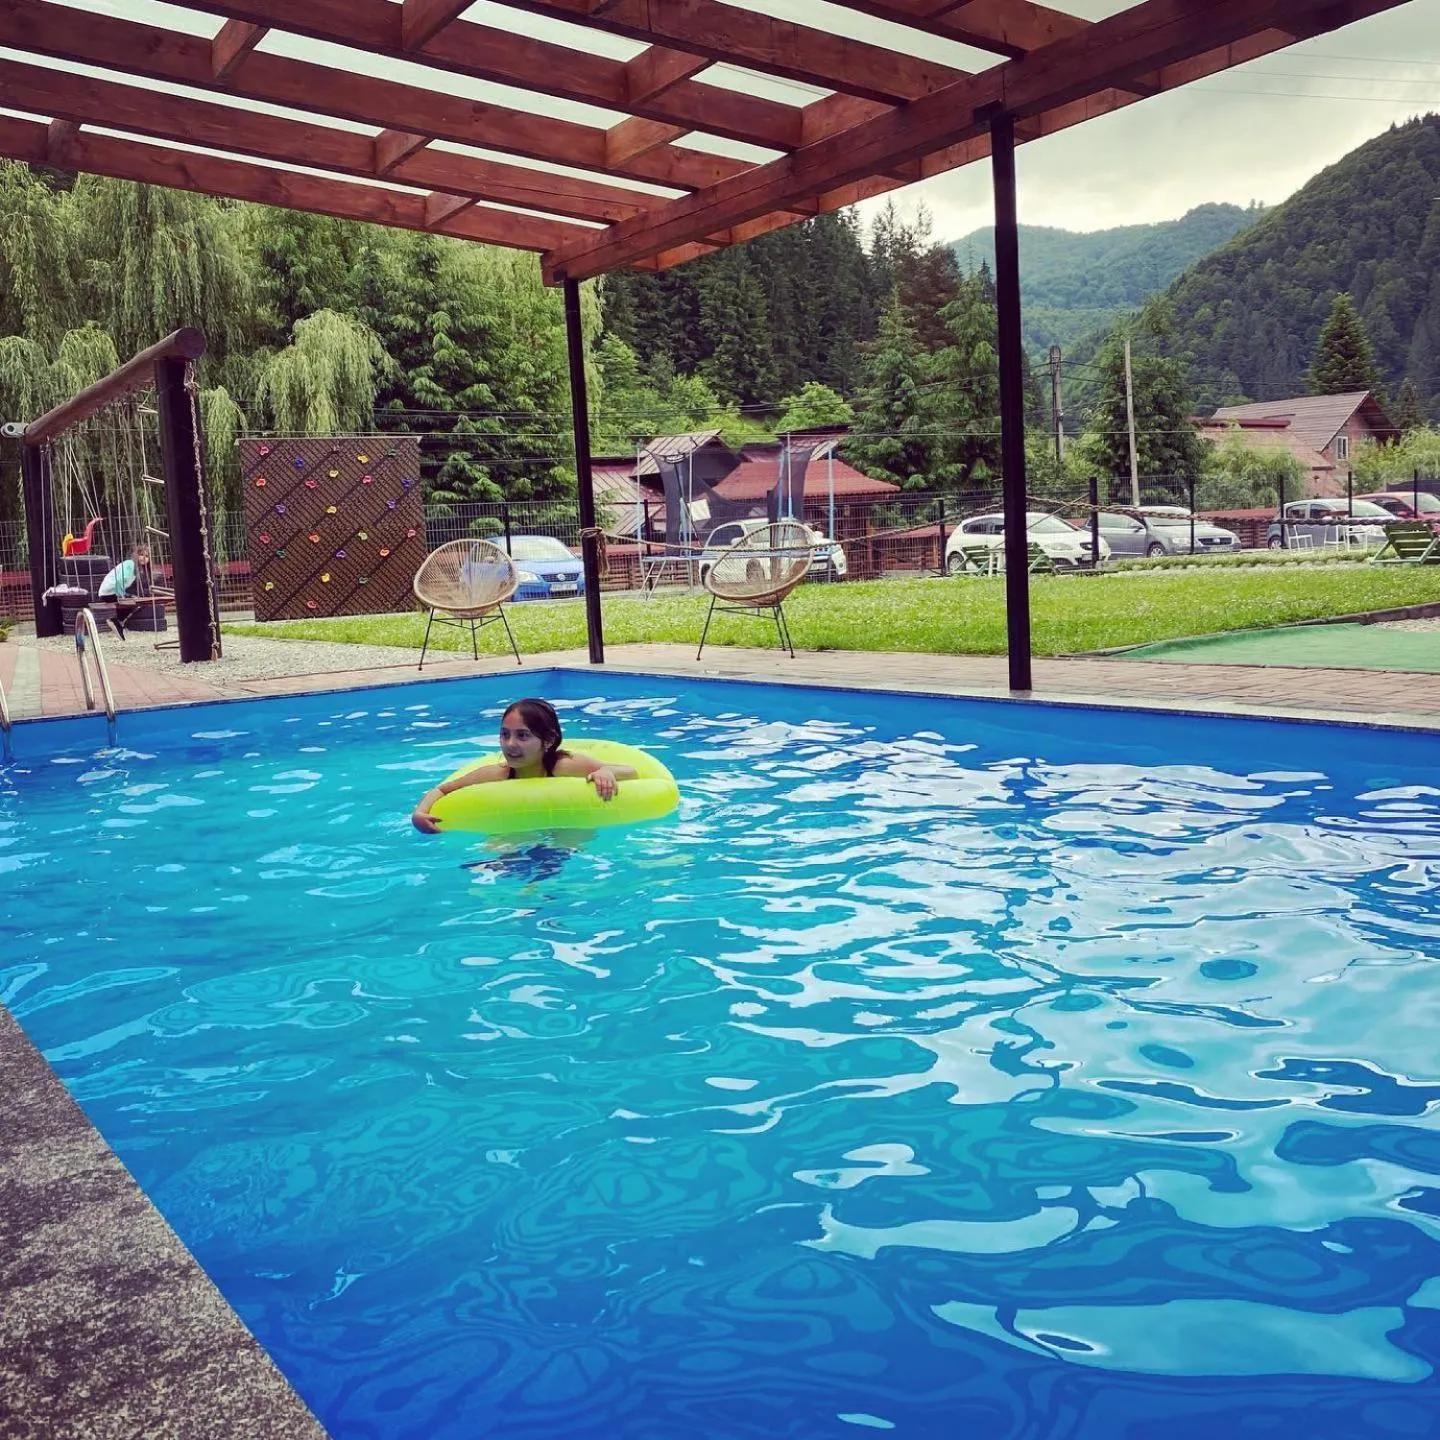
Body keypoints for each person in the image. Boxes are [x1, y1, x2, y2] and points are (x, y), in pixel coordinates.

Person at [412, 698, 637, 834]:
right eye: (505, 734)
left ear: (548, 741)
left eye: (523, 736)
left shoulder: (564, 766)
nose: (511, 744)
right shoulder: (497, 774)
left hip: (567, 827)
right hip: (518, 829)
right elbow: (443, 789)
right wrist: (419, 813)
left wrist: (604, 771)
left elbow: (632, 771)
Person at [96, 542, 151, 640]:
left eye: (146, 556)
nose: (144, 558)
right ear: (136, 555)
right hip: (108, 592)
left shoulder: (135, 569)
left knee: (137, 601)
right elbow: (119, 581)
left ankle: (118, 622)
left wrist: (125, 595)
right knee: (135, 601)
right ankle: (117, 621)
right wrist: (122, 596)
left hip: (112, 591)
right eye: (141, 554)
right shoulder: (130, 564)